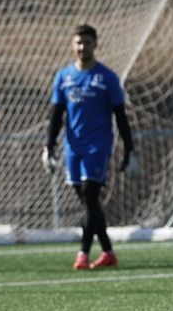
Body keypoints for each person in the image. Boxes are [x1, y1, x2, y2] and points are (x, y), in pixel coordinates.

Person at [44, 24, 135, 270]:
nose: (82, 47)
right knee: (88, 204)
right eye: (78, 43)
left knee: (90, 196)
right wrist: (48, 146)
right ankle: (107, 251)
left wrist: (129, 148)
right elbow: (57, 114)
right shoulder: (63, 77)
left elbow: (120, 115)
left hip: (98, 145)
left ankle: (83, 254)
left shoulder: (107, 78)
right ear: (72, 45)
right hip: (73, 147)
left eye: (86, 42)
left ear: (96, 44)